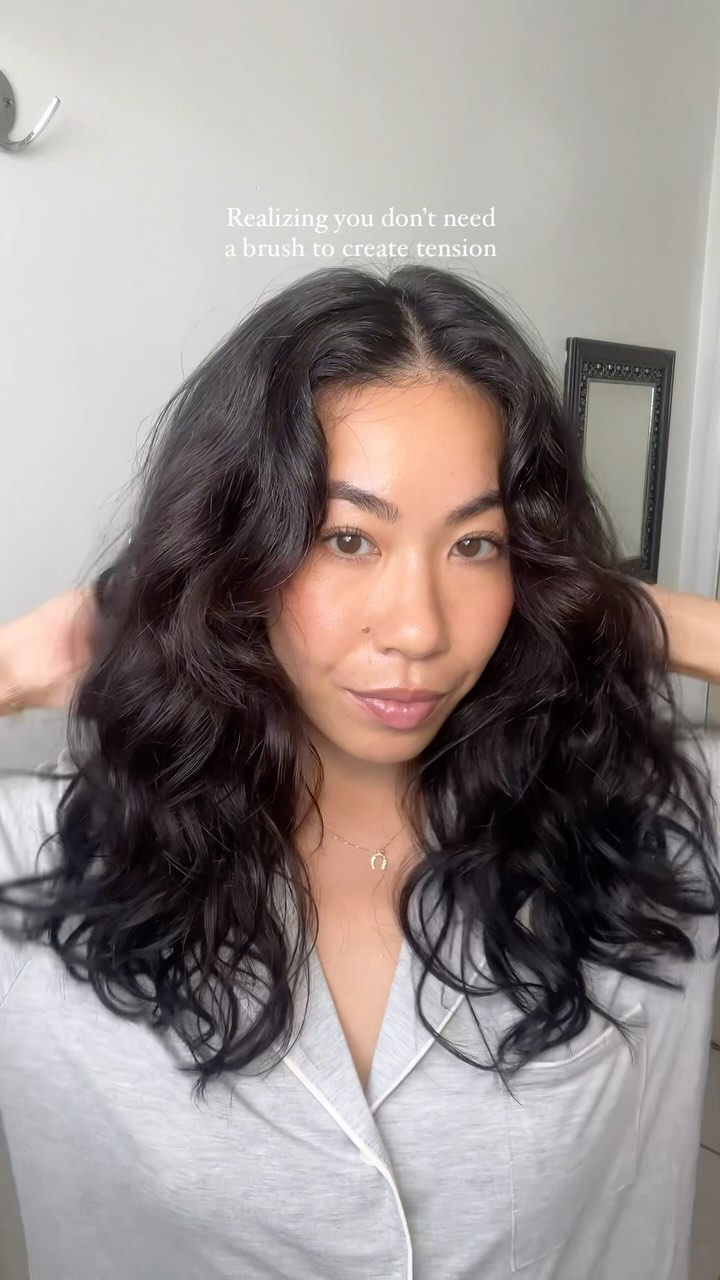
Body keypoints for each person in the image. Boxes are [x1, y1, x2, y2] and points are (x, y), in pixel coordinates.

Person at [0, 263, 719, 1280]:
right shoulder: (43, 862)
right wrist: (19, 662)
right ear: (235, 550)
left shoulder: (642, 827)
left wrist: (621, 612)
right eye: (347, 538)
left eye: (476, 544)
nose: (419, 628)